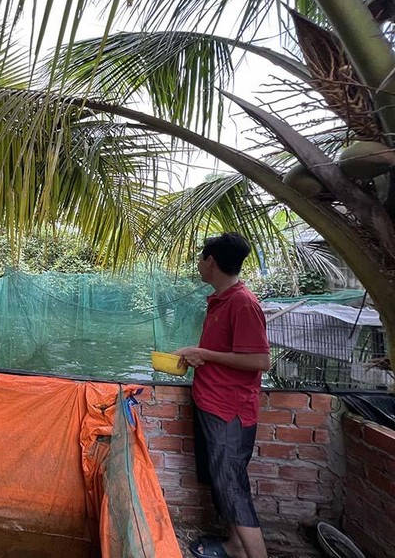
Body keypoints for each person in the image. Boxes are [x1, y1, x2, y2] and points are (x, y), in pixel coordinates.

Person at [174, 233, 271, 558]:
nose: (199, 265)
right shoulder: (221, 300)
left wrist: (206, 354)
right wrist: (201, 356)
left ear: (210, 261)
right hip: (213, 405)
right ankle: (234, 547)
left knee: (232, 488)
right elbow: (224, 353)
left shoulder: (243, 303)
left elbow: (260, 361)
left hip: (230, 412)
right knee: (224, 483)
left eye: (201, 259)